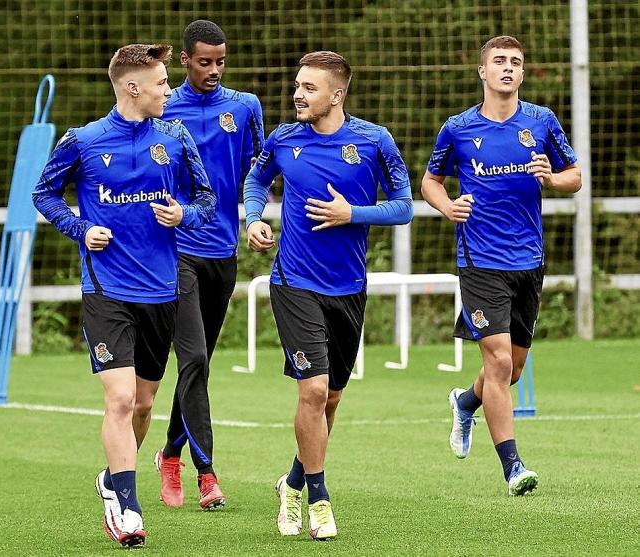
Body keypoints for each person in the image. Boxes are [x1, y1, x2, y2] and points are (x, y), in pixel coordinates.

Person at [32, 43, 216, 547]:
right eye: (161, 82)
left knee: (142, 405)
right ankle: (128, 510)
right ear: (133, 87)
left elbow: (205, 199)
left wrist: (184, 215)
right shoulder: (84, 140)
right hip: (106, 288)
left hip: (162, 289)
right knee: (120, 397)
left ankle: (113, 480)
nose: (170, 90)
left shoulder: (175, 137)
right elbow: (43, 192)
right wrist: (78, 226)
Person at [244, 51, 413, 540]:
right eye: (297, 85)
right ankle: (315, 497)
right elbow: (257, 181)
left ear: (336, 95)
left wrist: (352, 214)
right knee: (313, 390)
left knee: (332, 397)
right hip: (294, 283)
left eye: (309, 88)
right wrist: (255, 217)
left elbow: (403, 207)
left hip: (348, 288)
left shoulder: (373, 140)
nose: (298, 94)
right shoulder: (282, 139)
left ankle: (291, 480)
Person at [421, 35, 582, 496]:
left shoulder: (541, 121)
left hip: (528, 260)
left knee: (510, 371)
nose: (508, 68)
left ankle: (464, 402)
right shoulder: (458, 128)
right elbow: (431, 181)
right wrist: (447, 206)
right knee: (495, 361)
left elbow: (575, 177)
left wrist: (551, 177)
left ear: (523, 73)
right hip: (479, 260)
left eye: (516, 62)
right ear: (483, 72)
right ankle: (513, 467)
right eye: (499, 61)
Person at [153, 19, 264, 511]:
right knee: (193, 358)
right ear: (184, 60)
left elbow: (259, 171)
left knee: (199, 363)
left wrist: (256, 219)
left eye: (221, 61)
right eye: (204, 62)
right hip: (174, 252)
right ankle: (205, 473)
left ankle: (170, 450)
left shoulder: (244, 108)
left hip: (223, 254)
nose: (214, 70)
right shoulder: (161, 110)